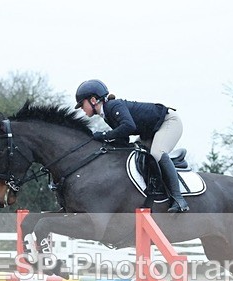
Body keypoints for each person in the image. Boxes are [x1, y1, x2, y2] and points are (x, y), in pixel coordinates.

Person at [74, 79, 189, 212]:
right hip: (151, 131)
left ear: (93, 100)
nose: (82, 109)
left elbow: (129, 126)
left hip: (168, 122)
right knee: (136, 155)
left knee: (157, 153)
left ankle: (179, 199)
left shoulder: (113, 106)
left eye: (82, 104)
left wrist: (103, 135)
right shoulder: (106, 113)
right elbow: (123, 139)